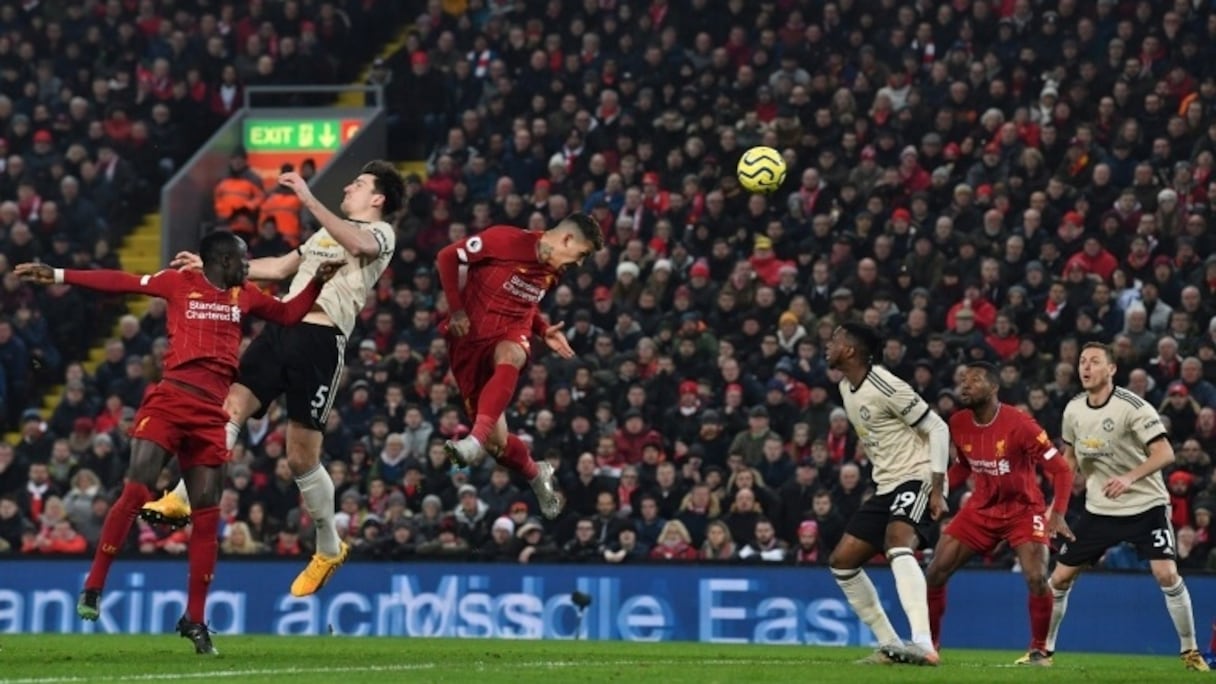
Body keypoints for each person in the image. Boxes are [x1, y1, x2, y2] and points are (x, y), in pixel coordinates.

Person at [14, 232, 340, 654]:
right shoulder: (177, 282)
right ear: (222, 260)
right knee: (136, 490)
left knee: (206, 519)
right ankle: (94, 586)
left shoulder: (247, 295)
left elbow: (290, 313)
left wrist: (317, 281)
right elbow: (121, 281)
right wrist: (58, 274)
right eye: (242, 259)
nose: (248, 264)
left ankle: (195, 620)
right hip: (170, 400)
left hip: (210, 414)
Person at [142, 161, 404, 598]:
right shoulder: (324, 233)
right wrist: (214, 270)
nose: (349, 187)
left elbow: (355, 241)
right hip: (284, 325)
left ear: (377, 199)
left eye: (358, 184)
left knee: (300, 457)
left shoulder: (380, 234)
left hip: (322, 339)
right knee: (230, 406)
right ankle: (182, 497)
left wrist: (306, 196)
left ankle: (328, 547)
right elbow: (281, 267)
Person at [1046, 342, 1209, 671]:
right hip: (1100, 509)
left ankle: (1190, 652)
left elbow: (1165, 454)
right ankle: (1042, 650)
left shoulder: (1134, 407)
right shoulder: (1074, 409)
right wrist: (1057, 507)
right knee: (1059, 579)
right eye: (1082, 361)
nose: (1086, 367)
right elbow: (1070, 458)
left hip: (1146, 505)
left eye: (1094, 361)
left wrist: (1129, 478)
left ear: (1111, 369)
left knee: (1166, 573)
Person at [435, 216, 604, 518]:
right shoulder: (504, 240)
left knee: (511, 356)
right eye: (582, 254)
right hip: (469, 340)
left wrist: (541, 329)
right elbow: (447, 256)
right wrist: (457, 310)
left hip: (511, 332)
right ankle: (536, 474)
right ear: (566, 240)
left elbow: (525, 302)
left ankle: (472, 441)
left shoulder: (554, 270)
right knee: (498, 448)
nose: (580, 264)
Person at [924, 361, 1075, 666]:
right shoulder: (958, 422)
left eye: (975, 380)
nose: (965, 385)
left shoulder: (1021, 424)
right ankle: (930, 647)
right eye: (963, 379)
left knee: (1035, 577)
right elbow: (965, 465)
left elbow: (1061, 469)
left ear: (994, 387)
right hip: (980, 509)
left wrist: (1057, 512)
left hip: (1023, 509)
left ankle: (1039, 652)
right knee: (935, 572)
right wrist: (937, 492)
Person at [823, 322, 950, 666]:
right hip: (887, 484)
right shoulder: (847, 389)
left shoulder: (885, 384)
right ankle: (891, 645)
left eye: (834, 339)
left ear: (850, 350)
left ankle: (923, 643)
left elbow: (938, 427)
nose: (827, 344)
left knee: (897, 542)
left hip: (919, 475)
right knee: (842, 563)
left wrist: (937, 488)